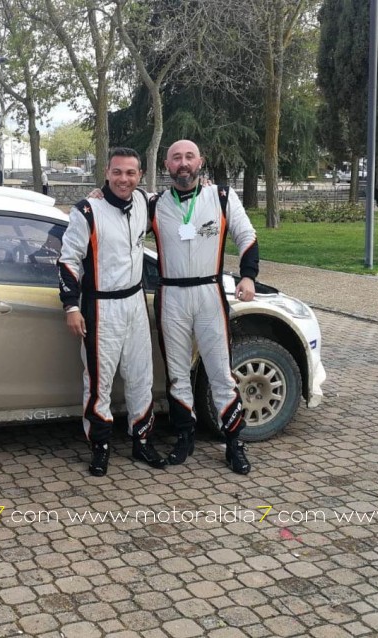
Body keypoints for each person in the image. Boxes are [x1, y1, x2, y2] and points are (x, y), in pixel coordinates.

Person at [153, 140, 259, 475]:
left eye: (189, 157)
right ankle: (184, 436)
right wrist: (99, 192)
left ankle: (234, 443)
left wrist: (249, 276)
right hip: (171, 296)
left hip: (210, 293)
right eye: (176, 158)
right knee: (177, 373)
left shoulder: (222, 197)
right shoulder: (153, 204)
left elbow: (247, 236)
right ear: (166, 165)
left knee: (220, 372)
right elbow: (117, 206)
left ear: (201, 161)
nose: (183, 163)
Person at [59, 148, 165, 477]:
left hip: (134, 303)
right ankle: (100, 446)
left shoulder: (145, 204)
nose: (124, 179)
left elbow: (181, 196)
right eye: (118, 172)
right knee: (99, 382)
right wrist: (72, 306)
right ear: (107, 172)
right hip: (100, 307)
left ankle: (142, 439)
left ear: (140, 176)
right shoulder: (87, 210)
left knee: (140, 377)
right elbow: (68, 260)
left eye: (131, 173)